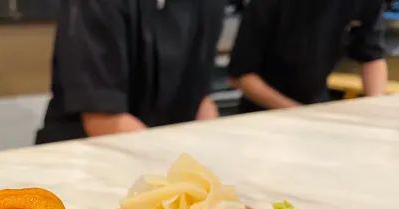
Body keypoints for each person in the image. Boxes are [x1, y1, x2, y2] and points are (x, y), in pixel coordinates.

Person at [35, 0, 227, 144]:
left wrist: (210, 153)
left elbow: (200, 99)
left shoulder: (207, 5)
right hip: (83, 158)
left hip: (158, 154)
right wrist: (172, 166)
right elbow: (102, 118)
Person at [228, 0, 388, 114]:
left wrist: (375, 109)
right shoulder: (268, 4)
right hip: (262, 115)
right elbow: (241, 76)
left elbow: (372, 57)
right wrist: (302, 114)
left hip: (315, 105)